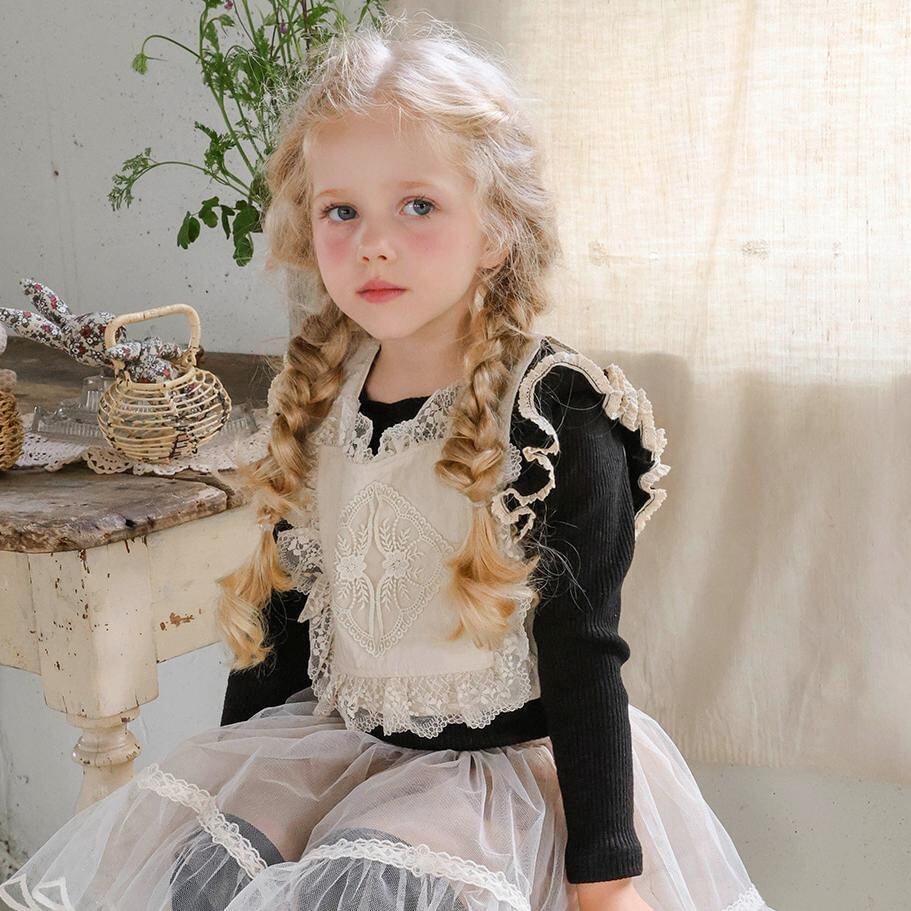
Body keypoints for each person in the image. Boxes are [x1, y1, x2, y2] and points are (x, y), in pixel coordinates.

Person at [0, 12, 775, 911]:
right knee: (207, 871)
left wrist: (604, 878)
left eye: (418, 206)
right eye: (343, 211)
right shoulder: (319, 395)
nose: (373, 241)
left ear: (496, 228)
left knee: (369, 885)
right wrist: (227, 792)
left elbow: (583, 654)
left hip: (493, 781)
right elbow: (284, 626)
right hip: (338, 745)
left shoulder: (556, 413)